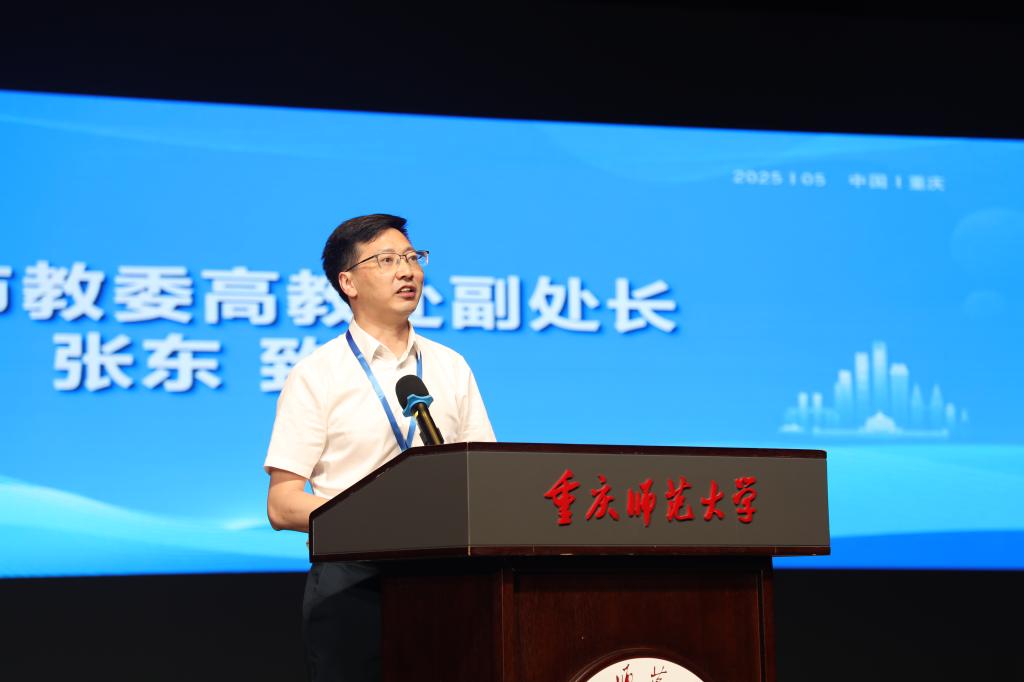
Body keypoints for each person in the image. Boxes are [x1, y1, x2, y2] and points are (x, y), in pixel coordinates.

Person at [263, 213, 496, 681]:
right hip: (352, 581)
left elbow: (487, 478)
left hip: (449, 577)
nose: (407, 271)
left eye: (412, 257)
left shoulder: (450, 367)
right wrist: (375, 519)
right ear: (347, 282)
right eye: (387, 260)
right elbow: (282, 504)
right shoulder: (317, 374)